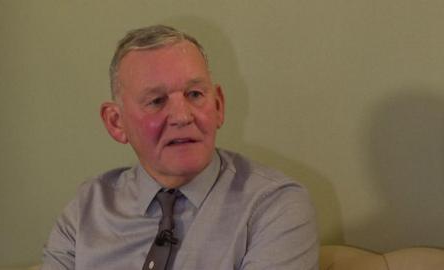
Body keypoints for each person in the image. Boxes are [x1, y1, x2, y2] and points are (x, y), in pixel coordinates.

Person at [42, 25, 319, 270]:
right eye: (157, 101)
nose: (182, 116)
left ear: (219, 106)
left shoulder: (273, 206)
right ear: (116, 122)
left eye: (195, 95)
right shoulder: (86, 210)